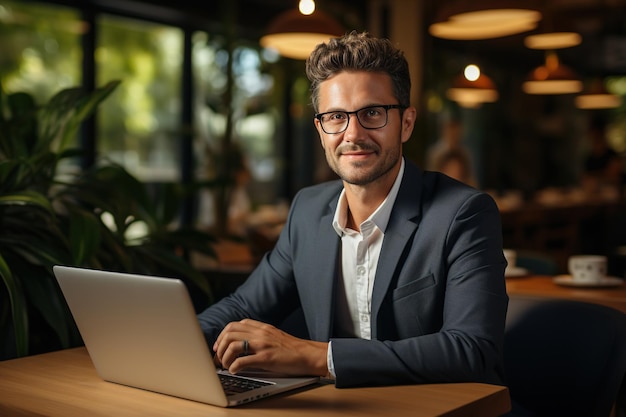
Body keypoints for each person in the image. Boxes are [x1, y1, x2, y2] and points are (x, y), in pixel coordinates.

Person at [198, 31, 508, 389]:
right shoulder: (308, 211)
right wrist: (176, 339)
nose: (353, 134)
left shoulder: (464, 213)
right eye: (335, 117)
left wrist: (314, 356)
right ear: (320, 129)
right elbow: (241, 307)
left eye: (372, 113)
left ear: (406, 123)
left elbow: (473, 350)